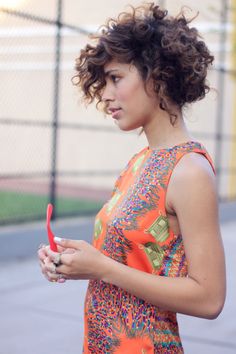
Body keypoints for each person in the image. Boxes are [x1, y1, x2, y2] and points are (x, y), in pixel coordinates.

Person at [38, 3, 226, 353]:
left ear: (158, 75)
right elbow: (130, 258)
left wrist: (102, 268)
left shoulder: (189, 170)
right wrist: (71, 261)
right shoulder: (140, 161)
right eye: (103, 81)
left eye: (116, 78)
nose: (106, 95)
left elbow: (209, 298)